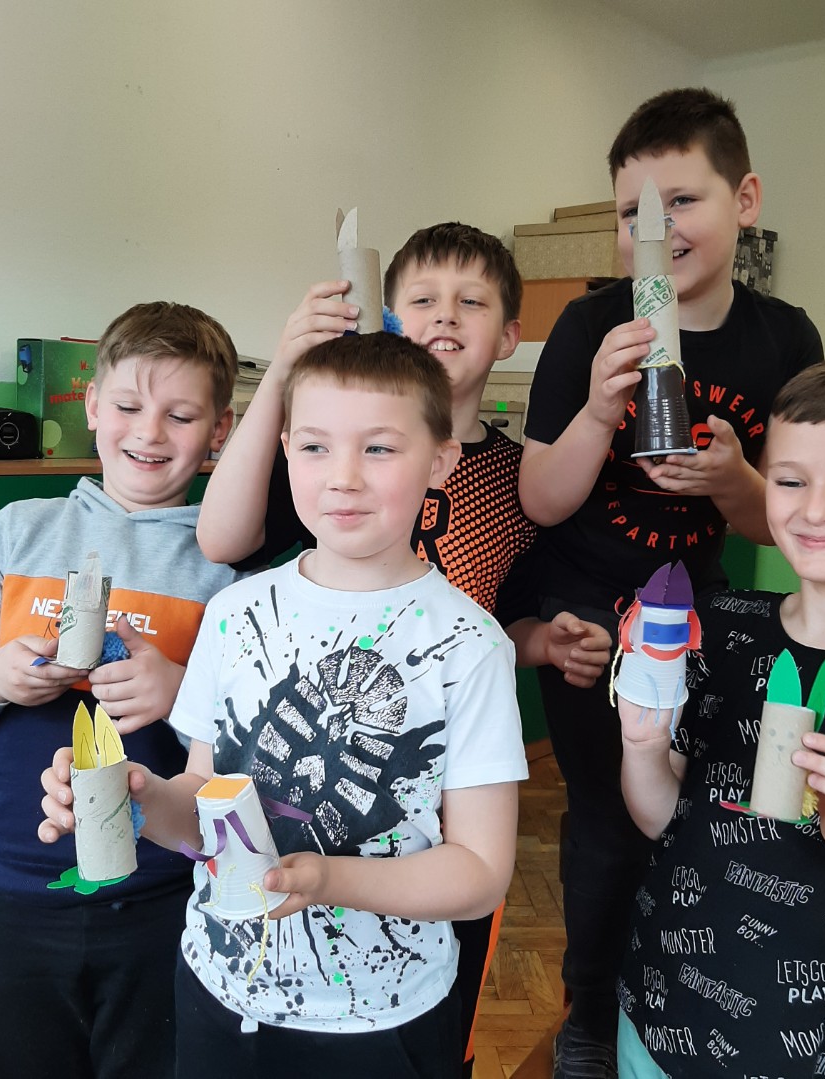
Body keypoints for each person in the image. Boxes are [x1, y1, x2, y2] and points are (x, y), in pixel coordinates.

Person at [39, 332, 531, 1079]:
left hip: (380, 1020)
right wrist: (132, 802)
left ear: (440, 461)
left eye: (379, 449)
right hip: (217, 991)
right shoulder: (235, 613)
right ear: (284, 451)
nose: (343, 478)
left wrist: (327, 878)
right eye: (314, 447)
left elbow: (480, 873)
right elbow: (203, 800)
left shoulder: (471, 644)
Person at [197, 221, 612, 1074]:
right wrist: (283, 370)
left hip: (428, 813)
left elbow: (507, 614)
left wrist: (541, 639)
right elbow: (224, 537)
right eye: (422, 299)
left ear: (509, 334)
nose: (444, 315)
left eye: (470, 302)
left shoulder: (516, 480)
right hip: (259, 907)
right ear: (387, 318)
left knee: (438, 1010)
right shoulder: (321, 480)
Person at [517, 88, 825, 1076]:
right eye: (632, 213)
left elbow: (780, 522)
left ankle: (674, 993)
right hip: (583, 615)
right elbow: (540, 499)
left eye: (681, 201)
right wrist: (596, 410)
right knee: (606, 825)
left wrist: (734, 479)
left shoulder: (782, 340)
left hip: (696, 614)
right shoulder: (588, 325)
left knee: (691, 814)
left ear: (744, 199)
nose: (655, 230)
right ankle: (587, 1010)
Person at [0, 301, 295, 1079]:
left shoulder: (227, 574)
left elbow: (255, 761)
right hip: (17, 893)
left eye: (180, 415)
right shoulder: (19, 531)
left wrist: (178, 691)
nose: (149, 432)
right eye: (127, 406)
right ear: (90, 405)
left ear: (220, 430)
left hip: (161, 900)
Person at [616, 350, 825, 1077]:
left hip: (799, 1051)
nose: (813, 510)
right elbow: (661, 818)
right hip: (651, 1017)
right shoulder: (722, 625)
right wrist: (643, 746)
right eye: (789, 480)